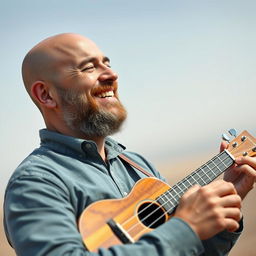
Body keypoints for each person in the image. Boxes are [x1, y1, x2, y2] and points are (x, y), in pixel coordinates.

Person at [4, 33, 256, 256]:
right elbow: (181, 237)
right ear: (46, 95)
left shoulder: (138, 166)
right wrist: (186, 228)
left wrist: (227, 197)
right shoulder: (36, 181)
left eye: (107, 63)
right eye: (88, 67)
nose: (112, 74)